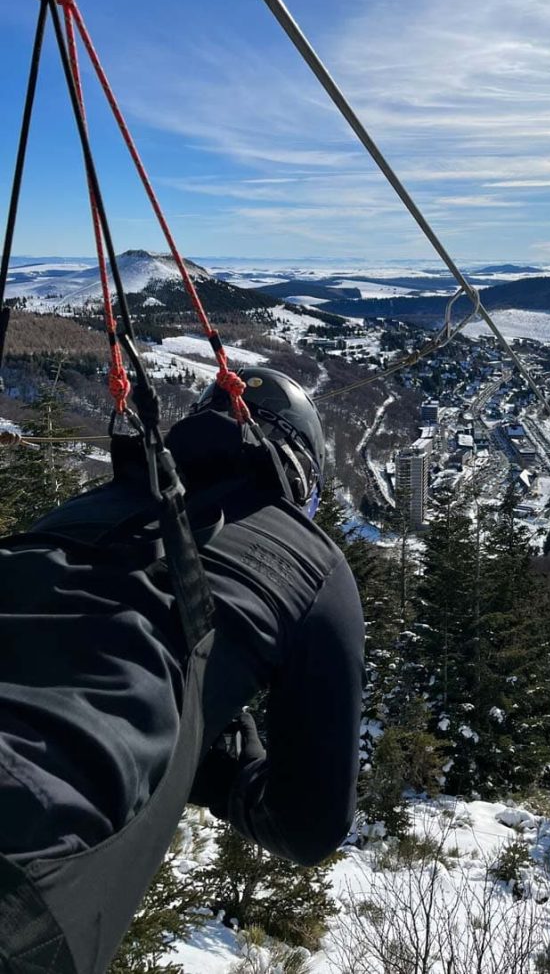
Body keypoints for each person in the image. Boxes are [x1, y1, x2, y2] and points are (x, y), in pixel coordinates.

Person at [0, 368, 365, 974]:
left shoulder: (87, 504)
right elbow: (311, 824)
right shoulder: (312, 561)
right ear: (302, 475)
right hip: (35, 843)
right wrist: (225, 774)